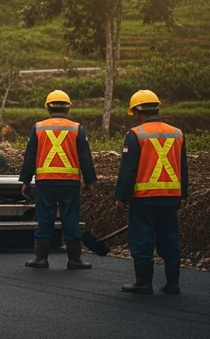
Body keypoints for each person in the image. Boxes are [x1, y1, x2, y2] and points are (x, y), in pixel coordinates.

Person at [116, 90, 188, 295]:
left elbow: (128, 170)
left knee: (142, 238)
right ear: (157, 107)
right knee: (169, 238)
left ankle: (143, 283)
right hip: (169, 198)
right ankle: (173, 284)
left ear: (138, 111)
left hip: (144, 199)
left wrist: (122, 197)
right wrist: (181, 195)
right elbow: (183, 168)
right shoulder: (177, 133)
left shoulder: (136, 134)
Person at [19, 90, 97, 269]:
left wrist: (26, 180)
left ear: (48, 108)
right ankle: (74, 260)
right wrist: (89, 181)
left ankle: (41, 259)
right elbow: (85, 157)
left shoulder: (38, 128)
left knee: (44, 217)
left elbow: (30, 156)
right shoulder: (77, 128)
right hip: (69, 182)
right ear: (68, 107)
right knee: (70, 218)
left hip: (45, 181)